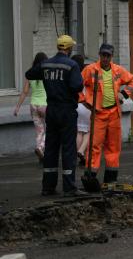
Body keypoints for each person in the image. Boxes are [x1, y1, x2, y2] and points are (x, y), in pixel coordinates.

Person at [25, 35, 87, 197]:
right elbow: (77, 86)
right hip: (66, 111)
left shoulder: (46, 64)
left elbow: (30, 74)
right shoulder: (72, 65)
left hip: (51, 110)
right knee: (68, 148)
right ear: (68, 48)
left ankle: (48, 187)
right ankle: (69, 187)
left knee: (51, 148)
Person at [81, 43, 133, 183]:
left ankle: (110, 180)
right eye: (103, 55)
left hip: (113, 113)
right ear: (99, 55)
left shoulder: (117, 70)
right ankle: (90, 177)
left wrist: (123, 94)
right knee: (94, 145)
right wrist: (85, 101)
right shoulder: (90, 70)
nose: (105, 58)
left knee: (113, 146)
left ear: (111, 56)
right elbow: (77, 84)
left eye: (108, 56)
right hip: (99, 113)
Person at [14, 52, 48, 163]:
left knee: (39, 131)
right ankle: (41, 147)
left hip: (33, 105)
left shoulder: (31, 74)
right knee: (50, 130)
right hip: (45, 105)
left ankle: (40, 149)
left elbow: (24, 92)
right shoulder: (47, 73)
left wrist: (17, 107)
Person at [71, 54, 91, 166]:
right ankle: (82, 150)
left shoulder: (73, 74)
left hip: (76, 105)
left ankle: (79, 156)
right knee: (88, 131)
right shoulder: (87, 72)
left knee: (79, 131)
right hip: (87, 105)